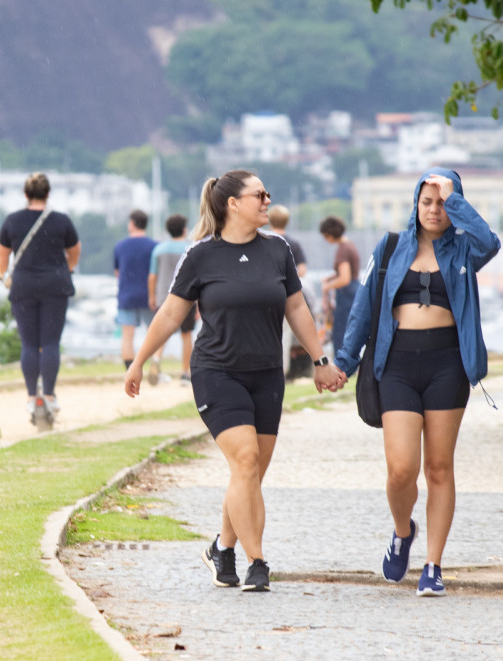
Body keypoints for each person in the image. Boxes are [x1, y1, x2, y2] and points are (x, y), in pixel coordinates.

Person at [125, 170, 346, 592]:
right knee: (245, 460)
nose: (267, 201)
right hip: (216, 372)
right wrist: (139, 361)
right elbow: (171, 313)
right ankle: (257, 562)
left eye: (267, 194)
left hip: (267, 374)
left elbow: (296, 308)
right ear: (232, 204)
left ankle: (221, 548)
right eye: (259, 195)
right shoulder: (200, 255)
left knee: (250, 474)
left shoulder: (277, 250)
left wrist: (320, 360)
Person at [334, 167, 500, 597]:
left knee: (439, 468)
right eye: (427, 201)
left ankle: (432, 565)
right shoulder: (391, 246)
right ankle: (402, 531)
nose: (434, 210)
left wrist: (455, 198)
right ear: (415, 203)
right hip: (398, 365)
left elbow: (491, 243)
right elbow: (363, 308)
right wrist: (344, 361)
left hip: (447, 364)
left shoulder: (464, 249)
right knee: (401, 470)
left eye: (443, 203)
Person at [0, 172, 81, 418]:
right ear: (48, 193)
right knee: (50, 342)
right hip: (55, 285)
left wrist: (4, 277)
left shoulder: (12, 221)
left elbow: (2, 255)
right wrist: (67, 269)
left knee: (30, 343)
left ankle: (32, 396)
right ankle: (50, 395)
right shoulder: (61, 221)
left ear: (25, 194)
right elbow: (75, 251)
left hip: (23, 286)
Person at [266, 205, 315, 380]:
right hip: (287, 294)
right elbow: (302, 270)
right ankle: (282, 370)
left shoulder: (263, 242)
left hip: (266, 295)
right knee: (284, 335)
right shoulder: (292, 244)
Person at [147, 214, 196, 385]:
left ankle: (156, 359)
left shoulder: (159, 250)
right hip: (187, 297)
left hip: (164, 296)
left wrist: (152, 296)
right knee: (186, 335)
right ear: (184, 229)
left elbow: (152, 276)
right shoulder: (190, 248)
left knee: (163, 332)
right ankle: (185, 373)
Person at [114, 209, 157, 370]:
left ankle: (130, 371)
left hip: (127, 295)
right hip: (149, 296)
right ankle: (154, 365)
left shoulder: (120, 246)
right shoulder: (154, 246)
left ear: (132, 223)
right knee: (154, 334)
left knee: (127, 336)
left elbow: (117, 272)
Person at [320, 216, 361, 357]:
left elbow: (345, 278)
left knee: (341, 332)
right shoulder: (349, 245)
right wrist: (331, 278)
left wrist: (327, 286)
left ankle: (341, 363)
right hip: (354, 291)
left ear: (329, 235)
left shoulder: (342, 250)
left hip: (347, 294)